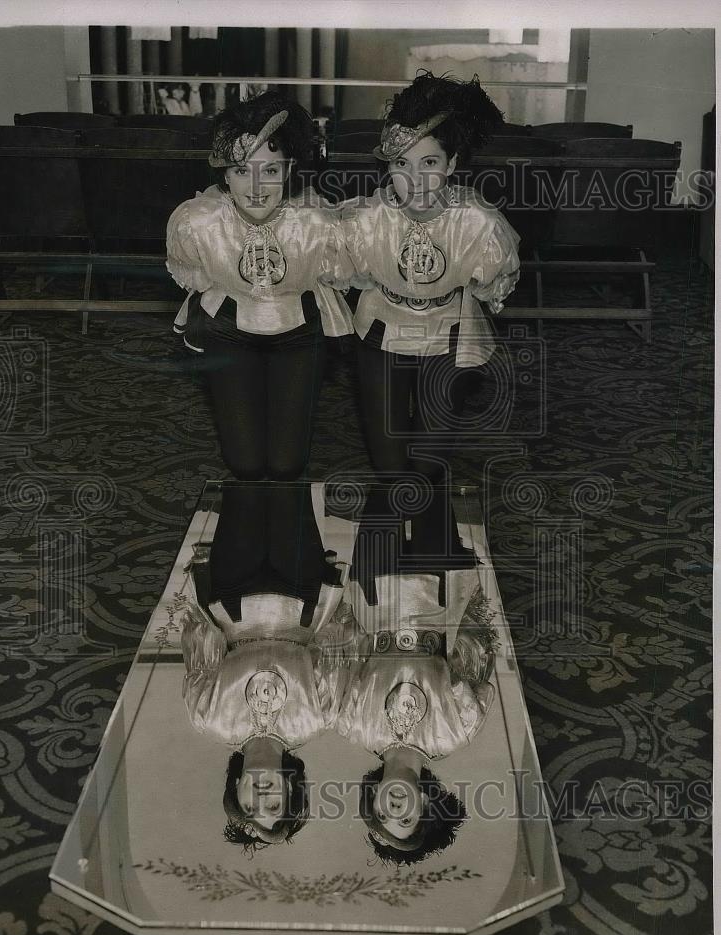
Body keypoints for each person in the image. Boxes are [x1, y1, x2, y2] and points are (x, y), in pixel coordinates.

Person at [341, 71, 520, 504]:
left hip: (450, 334)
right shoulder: (365, 218)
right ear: (387, 167)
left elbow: (492, 284)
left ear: (452, 165)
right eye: (401, 164)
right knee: (389, 468)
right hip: (382, 329)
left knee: (425, 469)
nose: (415, 180)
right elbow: (343, 269)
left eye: (430, 163)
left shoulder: (478, 223)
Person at [166, 91, 353, 482]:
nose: (255, 187)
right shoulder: (197, 223)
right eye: (240, 170)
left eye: (269, 170)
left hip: (300, 332)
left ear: (288, 170)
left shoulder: (317, 224)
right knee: (244, 463)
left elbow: (340, 271)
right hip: (227, 329)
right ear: (223, 175)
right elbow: (194, 273)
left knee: (287, 463)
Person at [180, 481, 354, 850]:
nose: (260, 796)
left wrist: (207, 587)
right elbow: (336, 642)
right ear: (291, 789)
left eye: (250, 805)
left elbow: (202, 639)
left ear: (237, 790)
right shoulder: (318, 718)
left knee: (243, 483)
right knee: (291, 485)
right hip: (302, 595)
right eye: (273, 804)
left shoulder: (209, 719)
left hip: (231, 595)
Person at [336, 480, 498, 865]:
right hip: (439, 591)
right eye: (406, 818)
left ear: (373, 801)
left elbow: (345, 648)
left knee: (385, 479)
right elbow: (476, 656)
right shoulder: (457, 733)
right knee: (433, 481)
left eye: (383, 816)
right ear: (426, 802)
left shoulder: (351, 724)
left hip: (374, 591)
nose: (393, 809)